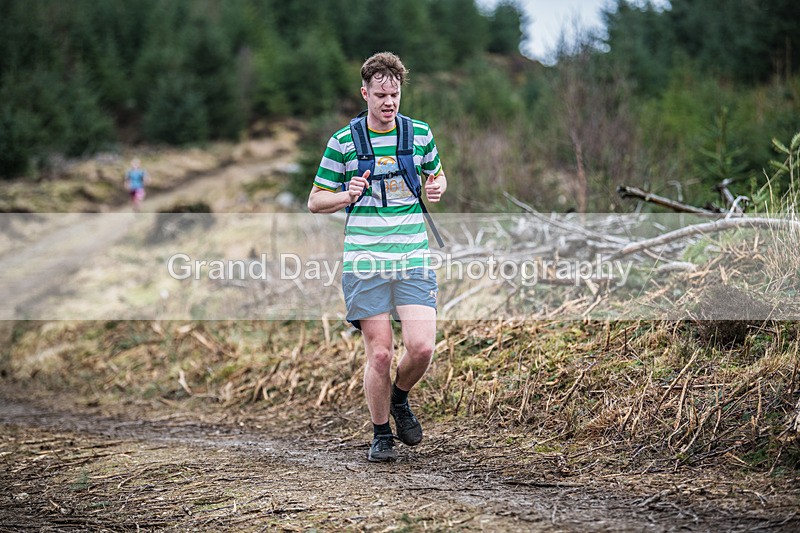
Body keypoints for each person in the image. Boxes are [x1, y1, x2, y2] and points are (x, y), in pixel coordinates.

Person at [307, 52, 447, 462]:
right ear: (364, 92)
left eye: (395, 94)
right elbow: (315, 202)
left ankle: (399, 398)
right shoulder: (343, 142)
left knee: (421, 348)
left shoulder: (419, 134)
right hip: (364, 261)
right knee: (381, 353)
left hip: (411, 257)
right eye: (381, 94)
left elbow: (436, 175)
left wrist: (437, 187)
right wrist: (346, 195)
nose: (389, 102)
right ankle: (381, 433)